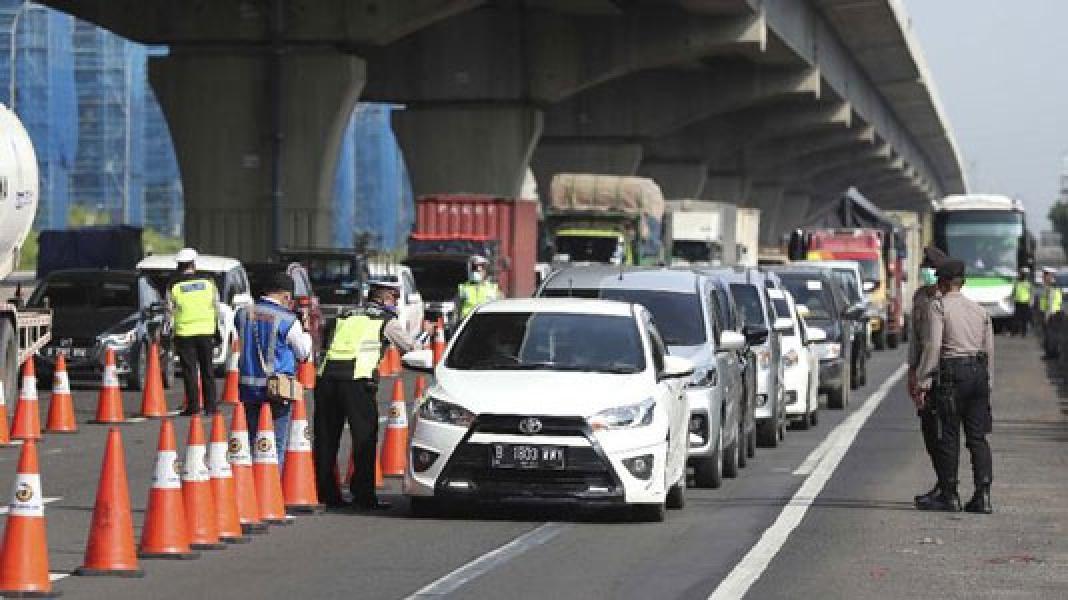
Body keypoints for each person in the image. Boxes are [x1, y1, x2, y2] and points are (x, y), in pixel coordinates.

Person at [314, 280, 431, 510]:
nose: (395, 303)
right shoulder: (386, 320)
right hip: (357, 381)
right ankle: (363, 496)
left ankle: (326, 494)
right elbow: (412, 349)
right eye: (394, 298)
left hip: (326, 378)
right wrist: (426, 334)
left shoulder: (344, 314)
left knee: (326, 439)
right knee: (364, 439)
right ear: (385, 298)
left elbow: (324, 341)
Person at [915, 259, 995, 514]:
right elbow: (989, 351)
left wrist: (923, 380)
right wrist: (988, 382)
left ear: (942, 283)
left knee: (948, 436)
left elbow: (934, 346)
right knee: (977, 437)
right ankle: (983, 494)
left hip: (952, 375)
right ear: (963, 282)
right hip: (978, 375)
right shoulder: (979, 310)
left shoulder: (939, 307)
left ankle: (949, 495)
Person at [234, 272, 312, 470]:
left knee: (253, 441)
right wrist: (306, 330)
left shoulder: (242, 314)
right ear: (286, 296)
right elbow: (303, 354)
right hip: (277, 389)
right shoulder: (288, 319)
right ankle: (270, 484)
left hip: (248, 388)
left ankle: (252, 482)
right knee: (275, 446)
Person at [907, 246, 948, 506]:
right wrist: (912, 371)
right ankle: (941, 482)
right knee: (929, 432)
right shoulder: (920, 296)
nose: (925, 272)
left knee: (944, 434)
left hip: (943, 373)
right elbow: (916, 340)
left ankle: (947, 486)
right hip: (923, 368)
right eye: (924, 268)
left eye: (930, 269)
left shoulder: (946, 299)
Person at [168, 247, 222, 416]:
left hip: (184, 333)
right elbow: (216, 306)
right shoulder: (208, 282)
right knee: (208, 370)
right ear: (193, 264)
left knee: (189, 371)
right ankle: (211, 407)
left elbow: (169, 312)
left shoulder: (174, 285)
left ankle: (193, 407)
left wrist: (167, 334)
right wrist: (217, 330)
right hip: (206, 331)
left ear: (179, 266)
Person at [1038, 268, 1062, 358]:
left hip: (1051, 314)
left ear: (1050, 276)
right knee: (1053, 335)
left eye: (1045, 275)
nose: (1043, 277)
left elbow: (1050, 303)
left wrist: (1046, 316)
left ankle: (1051, 353)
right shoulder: (1053, 286)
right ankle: (1054, 352)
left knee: (1050, 335)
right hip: (1054, 313)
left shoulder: (1050, 288)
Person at [1011, 268, 1032, 336]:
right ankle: (1014, 332)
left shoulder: (1028, 283)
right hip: (1018, 302)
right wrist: (1012, 298)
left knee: (1024, 319)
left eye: (1022, 274)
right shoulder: (1017, 282)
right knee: (1016, 318)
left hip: (1025, 302)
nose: (1021, 275)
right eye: (1021, 274)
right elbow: (1014, 291)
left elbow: (1031, 293)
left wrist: (1030, 301)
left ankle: (1024, 333)